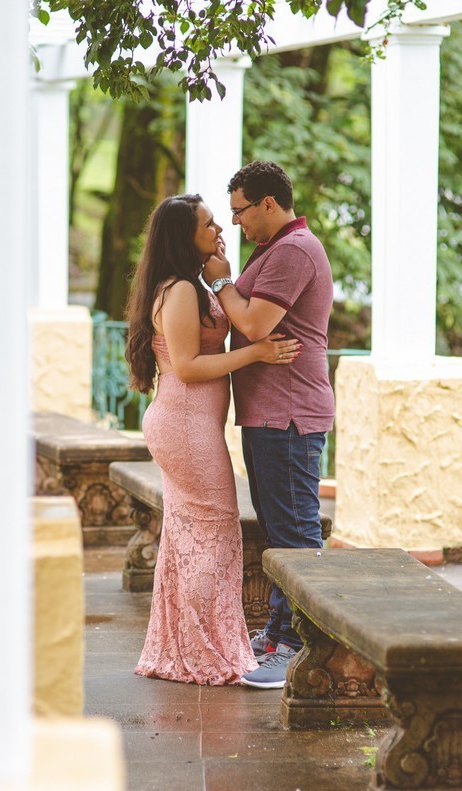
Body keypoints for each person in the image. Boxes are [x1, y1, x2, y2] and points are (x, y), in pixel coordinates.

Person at [126, 193, 302, 685]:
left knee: (189, 536)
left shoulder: (191, 284)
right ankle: (205, 651)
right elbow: (186, 366)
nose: (220, 229)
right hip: (184, 425)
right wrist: (258, 353)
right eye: (208, 225)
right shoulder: (180, 290)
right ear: (185, 237)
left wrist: (221, 279)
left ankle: (184, 647)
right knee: (216, 532)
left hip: (191, 425)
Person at [202, 161, 335, 690]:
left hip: (289, 414)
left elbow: (255, 323)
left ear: (268, 204)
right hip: (270, 412)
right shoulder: (275, 249)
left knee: (296, 534)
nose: (235, 224)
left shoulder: (293, 251)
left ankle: (304, 648)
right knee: (280, 533)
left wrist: (223, 282)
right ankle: (281, 634)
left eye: (239, 212)